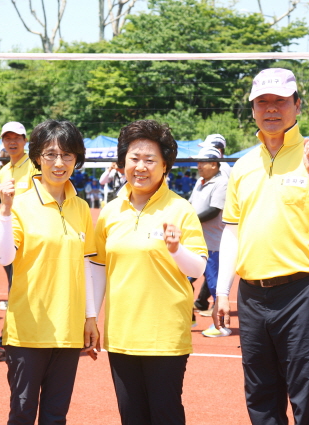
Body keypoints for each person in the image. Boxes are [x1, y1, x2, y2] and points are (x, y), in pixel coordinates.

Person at [214, 68, 309, 425]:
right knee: (260, 397)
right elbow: (232, 231)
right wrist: (222, 291)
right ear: (253, 109)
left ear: (297, 105)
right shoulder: (243, 166)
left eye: (280, 101)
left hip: (302, 293)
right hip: (252, 298)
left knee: (308, 395)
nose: (271, 109)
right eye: (263, 102)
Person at [92, 120, 207, 425]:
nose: (140, 167)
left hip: (165, 336)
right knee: (132, 416)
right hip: (121, 334)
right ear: (122, 163)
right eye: (134, 158)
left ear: (165, 165)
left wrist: (176, 249)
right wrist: (90, 316)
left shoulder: (181, 209)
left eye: (150, 160)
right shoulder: (110, 212)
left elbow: (197, 267)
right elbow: (98, 268)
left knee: (165, 414)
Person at [0, 120, 99, 424]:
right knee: (22, 414)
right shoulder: (21, 203)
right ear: (37, 156)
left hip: (68, 331)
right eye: (50, 154)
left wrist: (90, 318)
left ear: (77, 159)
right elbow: (3, 255)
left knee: (56, 416)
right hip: (28, 331)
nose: (59, 163)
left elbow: (86, 266)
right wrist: (5, 211)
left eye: (67, 155)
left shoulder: (80, 208)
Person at [0, 121, 38, 364]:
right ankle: (10, 341)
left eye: (17, 138)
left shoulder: (34, 166)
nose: (12, 142)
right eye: (7, 138)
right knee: (17, 291)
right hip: (8, 238)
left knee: (22, 291)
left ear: (25, 140)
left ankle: (6, 343)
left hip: (29, 240)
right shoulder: (4, 171)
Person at [188, 147, 229, 338]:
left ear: (214, 164)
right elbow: (190, 205)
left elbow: (214, 210)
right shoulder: (200, 182)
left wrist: (191, 220)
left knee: (215, 286)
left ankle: (221, 325)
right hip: (195, 243)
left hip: (214, 244)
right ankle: (188, 317)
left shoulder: (222, 183)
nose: (198, 166)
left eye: (202, 162)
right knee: (184, 279)